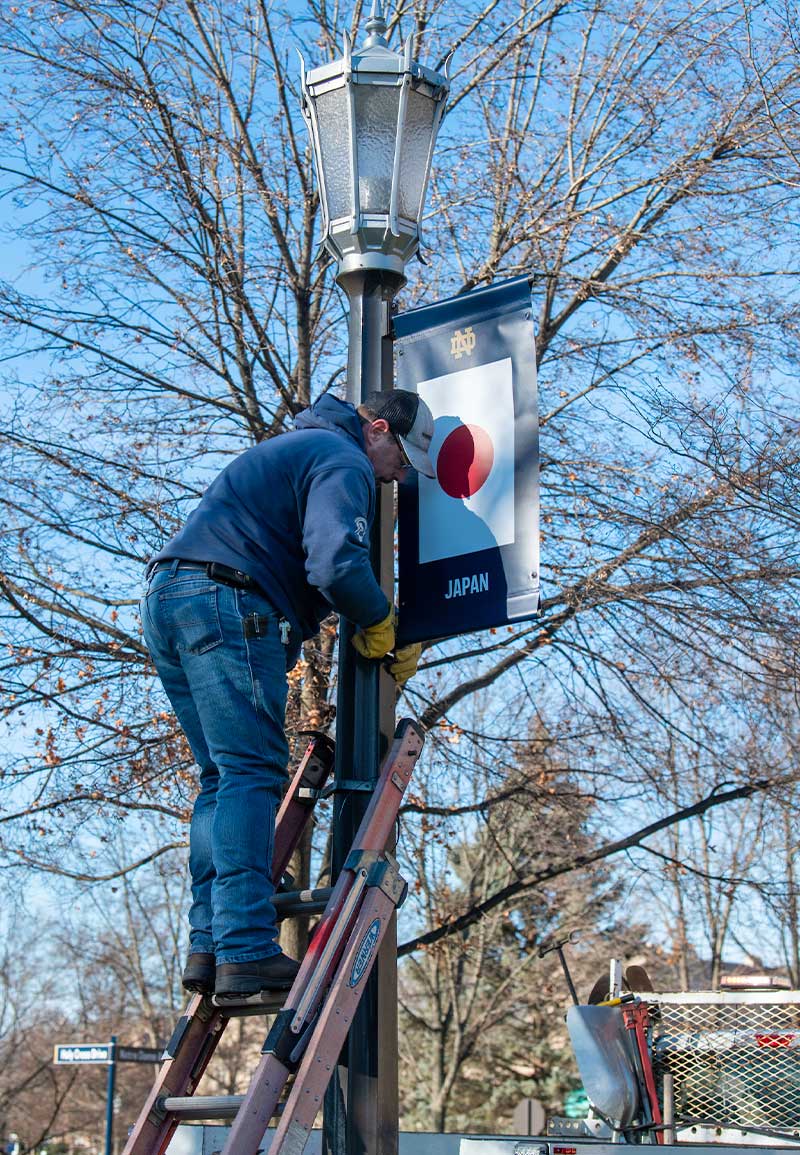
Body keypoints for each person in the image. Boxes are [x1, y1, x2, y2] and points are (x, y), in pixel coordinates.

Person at [141, 389, 434, 999]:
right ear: (376, 430)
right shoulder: (341, 457)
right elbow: (335, 564)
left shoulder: (294, 446)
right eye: (401, 460)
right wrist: (381, 620)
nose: (397, 476)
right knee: (249, 772)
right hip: (229, 601)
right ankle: (245, 948)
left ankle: (210, 944)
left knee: (221, 778)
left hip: (172, 599)